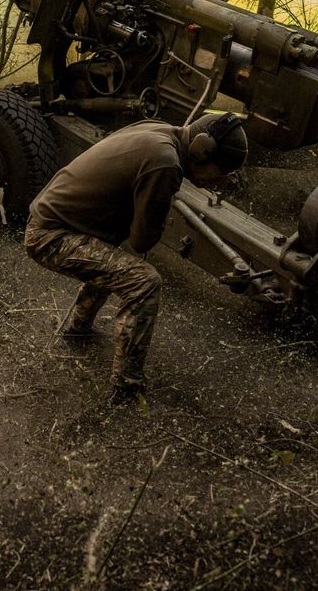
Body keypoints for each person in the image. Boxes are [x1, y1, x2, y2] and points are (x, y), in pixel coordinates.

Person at [23, 112, 249, 402]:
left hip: (55, 222)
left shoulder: (160, 128)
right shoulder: (165, 162)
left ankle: (77, 329)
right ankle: (127, 387)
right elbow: (143, 238)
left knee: (118, 263)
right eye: (220, 172)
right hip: (49, 236)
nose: (218, 181)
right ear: (201, 150)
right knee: (144, 281)